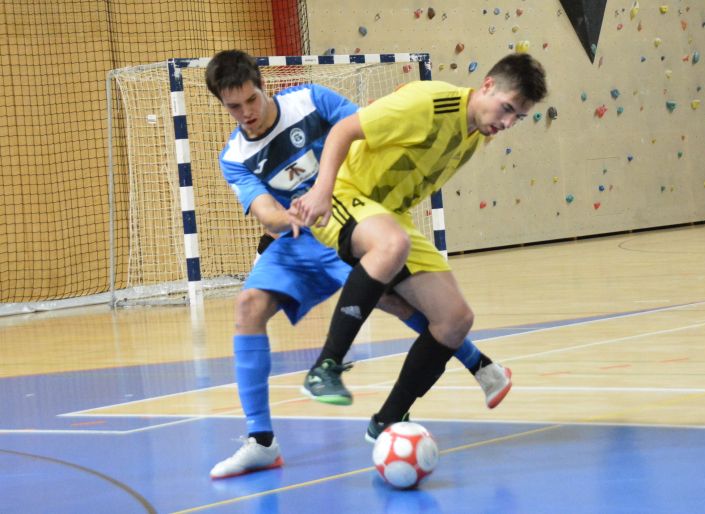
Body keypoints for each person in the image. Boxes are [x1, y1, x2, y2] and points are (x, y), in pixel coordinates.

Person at [204, 50, 513, 479]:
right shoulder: (235, 156)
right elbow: (266, 212)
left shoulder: (311, 100)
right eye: (234, 107)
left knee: (399, 301)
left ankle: (478, 365)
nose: (246, 113)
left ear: (263, 85)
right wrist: (294, 214)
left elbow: (367, 133)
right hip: (299, 233)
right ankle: (261, 442)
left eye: (251, 100)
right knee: (248, 307)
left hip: (352, 211)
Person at [290, 53, 547, 442]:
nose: (508, 123)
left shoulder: (475, 135)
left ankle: (388, 420)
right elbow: (343, 129)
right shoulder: (428, 103)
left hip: (389, 216)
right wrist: (322, 191)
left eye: (519, 118)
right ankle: (325, 366)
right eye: (507, 108)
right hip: (345, 195)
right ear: (487, 86)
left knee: (456, 319)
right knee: (392, 244)